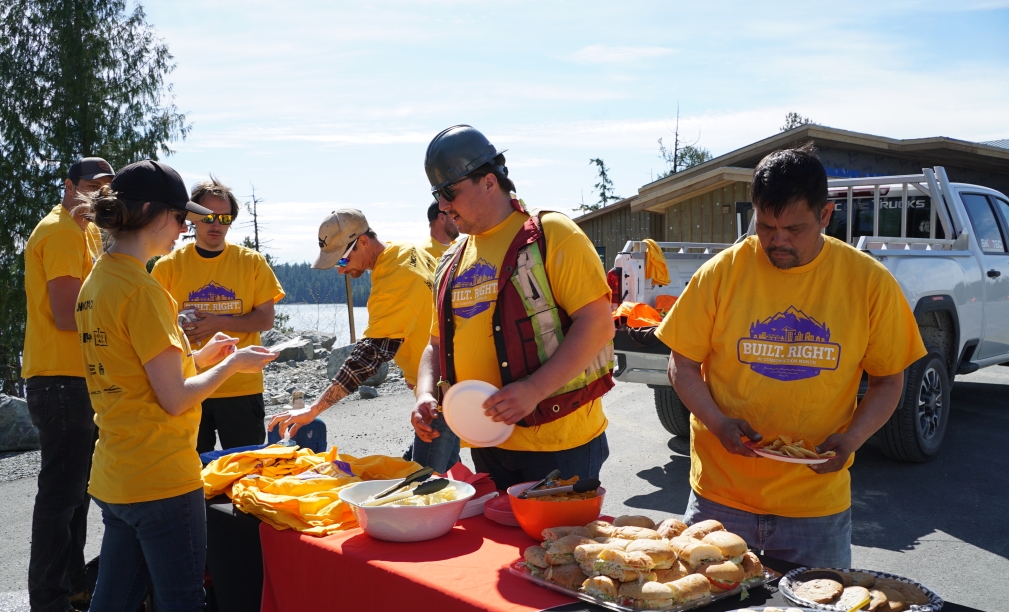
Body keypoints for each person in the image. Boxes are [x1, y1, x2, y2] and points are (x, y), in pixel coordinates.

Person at [655, 144, 927, 568]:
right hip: (720, 497)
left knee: (816, 610)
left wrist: (853, 439)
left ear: (825, 214)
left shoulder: (868, 282)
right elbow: (682, 364)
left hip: (815, 506)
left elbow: (889, 380)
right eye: (765, 226)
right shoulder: (721, 273)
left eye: (794, 229)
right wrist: (719, 423)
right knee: (706, 606)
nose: (777, 241)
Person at [70, 160, 276, 612]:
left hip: (117, 473)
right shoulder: (142, 290)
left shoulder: (99, 279)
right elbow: (175, 399)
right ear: (150, 212)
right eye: (181, 217)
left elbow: (140, 372)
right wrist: (232, 364)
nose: (186, 227)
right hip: (161, 477)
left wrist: (199, 358)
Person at [410, 125, 616, 490]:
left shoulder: (552, 233)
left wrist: (534, 389)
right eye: (437, 194)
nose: (442, 205)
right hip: (488, 443)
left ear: (489, 182)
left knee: (560, 530)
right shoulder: (451, 261)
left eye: (448, 191)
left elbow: (597, 324)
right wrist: (425, 393)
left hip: (560, 443)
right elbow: (435, 345)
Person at [268, 210, 465, 471]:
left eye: (342, 260)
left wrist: (314, 409)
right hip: (446, 381)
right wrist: (414, 372)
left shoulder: (395, 282)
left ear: (362, 242)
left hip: (440, 391)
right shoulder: (404, 251)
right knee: (443, 464)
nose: (341, 270)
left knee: (421, 476)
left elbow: (368, 357)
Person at [22, 157, 114, 612]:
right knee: (61, 495)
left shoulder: (87, 231)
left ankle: (72, 588)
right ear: (68, 186)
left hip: (76, 377)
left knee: (76, 491)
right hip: (58, 379)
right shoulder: (60, 232)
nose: (100, 194)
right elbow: (64, 313)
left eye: (107, 188)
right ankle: (47, 606)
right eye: (92, 186)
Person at [152, 177, 284, 452]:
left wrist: (218, 323)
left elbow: (265, 319)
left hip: (242, 386)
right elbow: (154, 325)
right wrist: (180, 325)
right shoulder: (168, 267)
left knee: (246, 469)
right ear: (192, 218)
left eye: (224, 218)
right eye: (208, 217)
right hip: (188, 386)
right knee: (191, 472)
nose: (216, 224)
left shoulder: (251, 262)